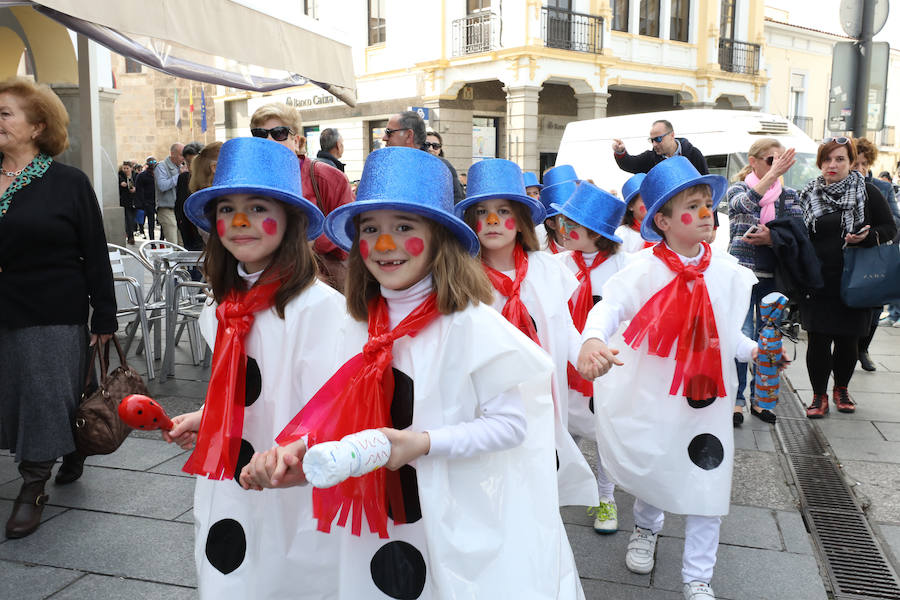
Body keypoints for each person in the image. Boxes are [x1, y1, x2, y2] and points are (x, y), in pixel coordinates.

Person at [241, 146, 585, 599]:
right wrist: (296, 455)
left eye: (404, 227)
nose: (385, 245)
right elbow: (342, 411)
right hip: (376, 517)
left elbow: (511, 425)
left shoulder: (470, 324)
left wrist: (421, 443)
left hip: (452, 515)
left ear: (439, 236)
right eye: (371, 230)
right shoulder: (357, 323)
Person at [162, 137, 363, 597]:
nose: (238, 222)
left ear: (290, 219)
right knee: (233, 571)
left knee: (288, 574)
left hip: (291, 482)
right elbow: (241, 391)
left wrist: (290, 453)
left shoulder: (321, 311)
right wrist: (207, 416)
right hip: (232, 481)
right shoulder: (222, 310)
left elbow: (337, 411)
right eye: (226, 209)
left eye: (256, 208)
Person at [577, 156, 764, 600]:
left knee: (708, 479)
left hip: (708, 400)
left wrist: (754, 351)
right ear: (661, 220)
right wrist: (592, 339)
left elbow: (725, 332)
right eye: (693, 206)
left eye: (707, 205)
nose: (705, 214)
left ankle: (698, 576)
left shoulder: (726, 272)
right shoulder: (641, 271)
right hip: (656, 393)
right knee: (658, 464)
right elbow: (610, 308)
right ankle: (646, 527)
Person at [0, 77, 117, 538]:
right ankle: (74, 443)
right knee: (15, 391)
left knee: (44, 395)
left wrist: (104, 316)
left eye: (5, 113)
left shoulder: (68, 182)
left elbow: (94, 251)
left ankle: (32, 488)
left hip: (51, 309)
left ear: (37, 126)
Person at [456, 158, 598, 509]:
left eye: (503, 210)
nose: (491, 220)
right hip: (487, 401)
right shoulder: (459, 278)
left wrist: (583, 353)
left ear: (519, 221)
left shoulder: (548, 269)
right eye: (481, 211)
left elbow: (563, 325)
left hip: (543, 396)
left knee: (538, 482)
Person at [797, 137, 896, 418]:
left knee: (847, 339)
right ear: (820, 163)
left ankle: (841, 388)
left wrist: (867, 238)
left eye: (840, 159)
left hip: (856, 278)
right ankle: (818, 396)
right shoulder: (808, 193)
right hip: (818, 278)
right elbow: (799, 234)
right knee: (817, 339)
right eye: (827, 159)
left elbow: (890, 228)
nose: (833, 165)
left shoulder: (867, 191)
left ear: (851, 162)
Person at [551, 182, 628, 535]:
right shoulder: (555, 264)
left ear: (596, 233)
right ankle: (556, 495)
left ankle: (605, 498)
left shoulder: (621, 267)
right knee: (563, 432)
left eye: (572, 224)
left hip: (604, 365)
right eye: (561, 222)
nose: (561, 230)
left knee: (604, 438)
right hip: (563, 366)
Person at [726, 139, 801, 424]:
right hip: (743, 274)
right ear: (753, 160)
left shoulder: (788, 195)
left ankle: (763, 399)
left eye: (782, 160)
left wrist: (772, 238)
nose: (778, 166)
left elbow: (797, 232)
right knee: (742, 334)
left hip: (774, 275)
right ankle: (736, 400)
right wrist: (770, 177)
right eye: (772, 160)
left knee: (769, 339)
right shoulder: (738, 188)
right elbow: (742, 207)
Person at [250, 103, 353, 290]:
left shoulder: (326, 177)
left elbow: (350, 232)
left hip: (320, 289)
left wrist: (300, 238)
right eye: (260, 134)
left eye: (279, 133)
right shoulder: (249, 182)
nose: (269, 141)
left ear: (296, 141)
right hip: (264, 287)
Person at [853, 138, 898, 371]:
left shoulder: (883, 188)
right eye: (855, 163)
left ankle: (863, 348)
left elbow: (895, 222)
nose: (859, 169)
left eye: (863, 164)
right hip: (851, 257)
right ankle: (850, 348)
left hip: (877, 254)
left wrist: (876, 231)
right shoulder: (845, 186)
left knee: (876, 308)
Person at [382, 111, 465, 204]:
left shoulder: (440, 167)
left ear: (409, 135)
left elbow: (455, 207)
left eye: (389, 132)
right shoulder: (384, 166)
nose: (384, 138)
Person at [612, 119, 709, 176]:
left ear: (672, 135)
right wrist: (620, 152)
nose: (654, 144)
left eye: (658, 139)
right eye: (652, 140)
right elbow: (630, 164)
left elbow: (707, 187)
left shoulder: (693, 154)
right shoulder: (650, 158)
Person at [539, 164, 579, 253]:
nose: (576, 224)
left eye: (577, 217)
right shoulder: (543, 257)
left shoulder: (590, 253)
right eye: (567, 220)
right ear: (552, 224)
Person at [615, 173, 655, 253]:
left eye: (652, 199)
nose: (650, 204)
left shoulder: (664, 231)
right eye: (644, 201)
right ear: (630, 206)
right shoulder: (621, 235)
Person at [175, 142, 203, 251]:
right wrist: (180, 223)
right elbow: (179, 204)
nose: (191, 167)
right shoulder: (183, 178)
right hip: (188, 231)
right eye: (188, 163)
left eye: (194, 162)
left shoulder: (211, 179)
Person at [155, 142, 185, 243]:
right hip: (167, 209)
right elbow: (162, 186)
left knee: (183, 244)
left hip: (180, 211)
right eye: (181, 155)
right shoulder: (161, 167)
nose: (183, 158)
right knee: (173, 244)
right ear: (172, 154)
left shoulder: (182, 167)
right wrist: (180, 176)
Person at [135, 157, 157, 239]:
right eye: (151, 162)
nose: (153, 163)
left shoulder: (158, 174)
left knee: (162, 223)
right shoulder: (142, 176)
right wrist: (143, 203)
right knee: (150, 223)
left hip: (157, 202)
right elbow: (139, 190)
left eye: (154, 162)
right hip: (148, 203)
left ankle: (161, 240)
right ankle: (152, 242)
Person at [118, 160, 138, 245]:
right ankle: (130, 237)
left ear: (131, 168)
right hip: (126, 201)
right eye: (124, 168)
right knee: (129, 219)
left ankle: (131, 233)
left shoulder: (136, 175)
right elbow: (120, 184)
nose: (125, 170)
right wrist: (122, 183)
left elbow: (138, 185)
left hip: (135, 201)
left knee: (133, 220)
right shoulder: (120, 176)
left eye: (127, 168)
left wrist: (135, 189)